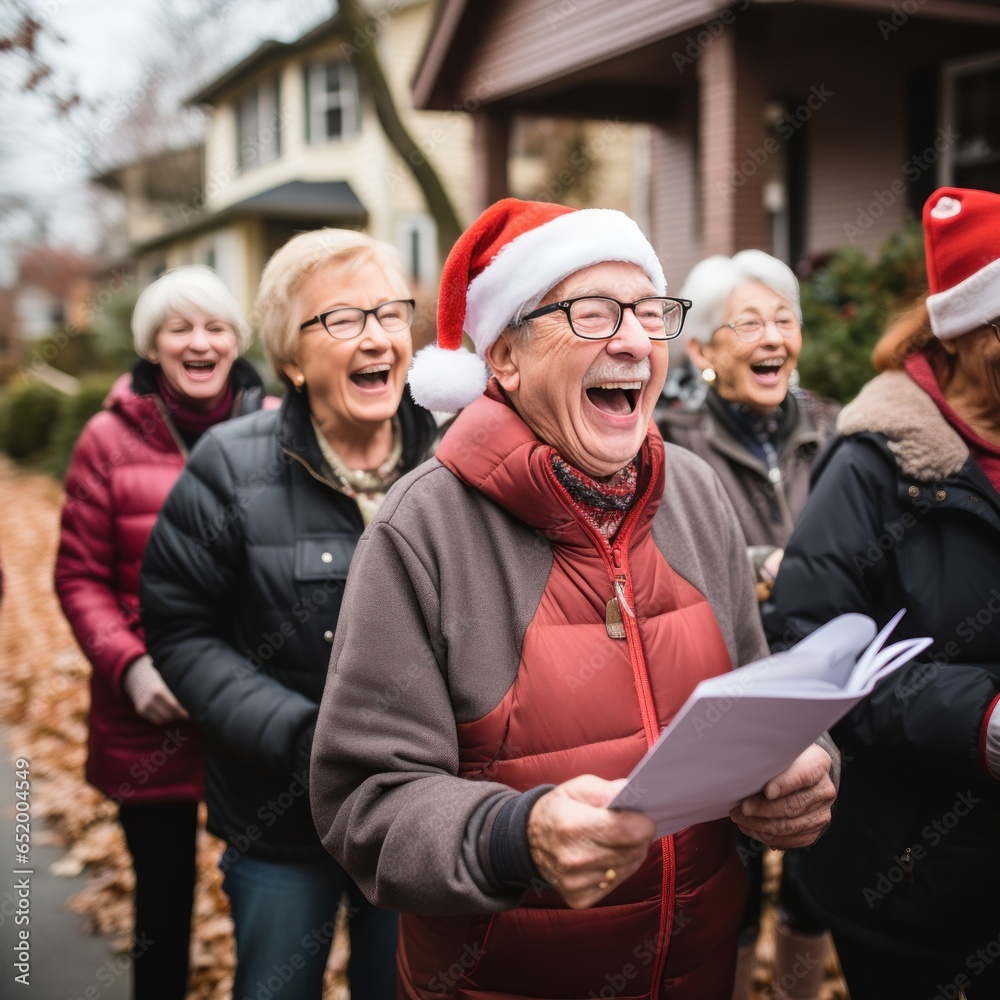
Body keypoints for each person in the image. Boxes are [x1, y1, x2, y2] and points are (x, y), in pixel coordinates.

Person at [309, 198, 839, 999]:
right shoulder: (423, 530)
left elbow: (757, 696)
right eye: (592, 314)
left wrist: (803, 766)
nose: (632, 339)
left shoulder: (694, 493)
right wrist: (511, 838)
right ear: (508, 358)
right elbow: (363, 805)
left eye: (648, 313)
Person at [140, 229, 437, 1000]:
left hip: (418, 817)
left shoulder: (457, 463)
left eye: (390, 313)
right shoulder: (230, 468)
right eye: (341, 319)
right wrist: (300, 737)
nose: (375, 336)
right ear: (292, 359)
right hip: (279, 821)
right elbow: (180, 627)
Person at [762, 186, 1000, 998]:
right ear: (965, 334)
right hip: (908, 872)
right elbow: (814, 646)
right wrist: (982, 719)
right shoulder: (872, 465)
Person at [54, 265, 266, 1000]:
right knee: (163, 905)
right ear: (153, 346)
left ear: (238, 339)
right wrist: (131, 668)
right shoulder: (106, 440)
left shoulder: (279, 426)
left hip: (256, 710)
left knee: (268, 904)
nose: (199, 342)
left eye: (214, 327)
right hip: (151, 717)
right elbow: (78, 578)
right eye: (180, 329)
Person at [656, 251, 840, 999]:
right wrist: (776, 562)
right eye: (750, 323)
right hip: (723, 686)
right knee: (723, 890)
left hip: (830, 686)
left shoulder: (834, 427)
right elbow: (675, 556)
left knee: (814, 882)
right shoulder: (671, 441)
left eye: (785, 319)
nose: (773, 337)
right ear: (701, 351)